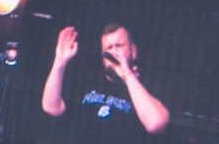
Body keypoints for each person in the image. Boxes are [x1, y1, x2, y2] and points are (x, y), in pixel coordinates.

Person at [40, 22, 170, 135]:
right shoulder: (88, 81)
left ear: (133, 51)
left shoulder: (147, 86)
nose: (113, 52)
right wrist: (60, 61)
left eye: (119, 46)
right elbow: (51, 107)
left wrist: (127, 75)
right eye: (108, 48)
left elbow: (156, 124)